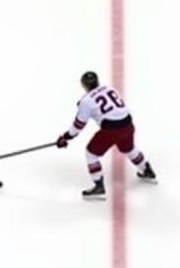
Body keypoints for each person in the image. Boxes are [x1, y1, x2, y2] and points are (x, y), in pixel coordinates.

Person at [57, 70, 156, 200]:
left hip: (111, 129)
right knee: (129, 148)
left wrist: (66, 137)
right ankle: (146, 169)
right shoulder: (109, 88)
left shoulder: (85, 101)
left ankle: (98, 186)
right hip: (128, 124)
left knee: (91, 154)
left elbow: (78, 125)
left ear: (84, 86)